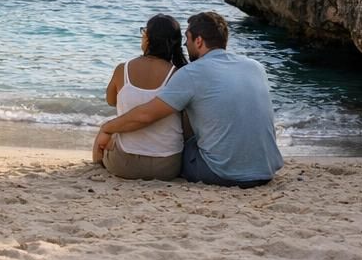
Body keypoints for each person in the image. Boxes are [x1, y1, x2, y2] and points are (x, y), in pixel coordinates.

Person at [95, 11, 283, 188]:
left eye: (187, 38)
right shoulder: (255, 67)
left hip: (221, 172)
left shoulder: (192, 73)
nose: (185, 45)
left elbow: (145, 115)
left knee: (186, 143)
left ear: (199, 41)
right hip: (265, 170)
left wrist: (107, 127)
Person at [94, 14, 186, 180]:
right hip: (167, 166)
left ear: (147, 38)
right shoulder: (179, 75)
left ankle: (95, 168)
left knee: (105, 133)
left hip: (125, 164)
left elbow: (111, 101)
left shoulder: (123, 69)